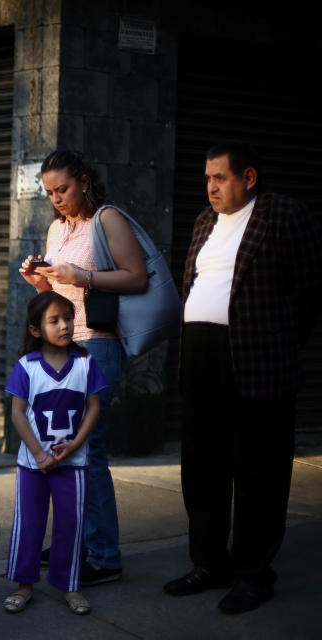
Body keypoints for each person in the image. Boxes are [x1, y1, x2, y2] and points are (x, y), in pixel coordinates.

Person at [164, 142, 320, 614]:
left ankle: (254, 573)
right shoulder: (203, 222)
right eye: (207, 178)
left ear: (248, 177)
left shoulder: (281, 214)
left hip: (256, 361)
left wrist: (276, 342)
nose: (211, 187)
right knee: (203, 468)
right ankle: (210, 562)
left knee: (259, 471)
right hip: (202, 361)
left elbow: (309, 289)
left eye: (221, 178)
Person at [19, 149, 146, 586]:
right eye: (49, 192)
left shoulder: (106, 219)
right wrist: (40, 282)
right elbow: (60, 292)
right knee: (66, 451)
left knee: (88, 453)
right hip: (64, 351)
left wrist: (82, 277)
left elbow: (136, 277)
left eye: (63, 189)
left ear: (85, 181)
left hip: (98, 348)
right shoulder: (57, 228)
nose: (56, 198)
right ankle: (83, 542)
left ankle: (105, 556)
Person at [3, 291, 106, 616]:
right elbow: (18, 414)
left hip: (72, 464)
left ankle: (70, 585)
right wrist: (39, 454)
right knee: (29, 523)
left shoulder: (85, 363)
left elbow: (94, 407)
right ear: (35, 329)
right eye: (54, 320)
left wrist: (75, 445)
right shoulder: (26, 367)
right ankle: (24, 585)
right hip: (33, 465)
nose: (64, 325)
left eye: (68, 318)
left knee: (71, 525)